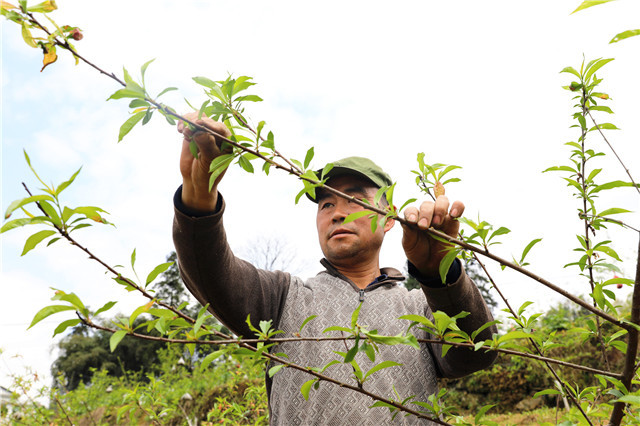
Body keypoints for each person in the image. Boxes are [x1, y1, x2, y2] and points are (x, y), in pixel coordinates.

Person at [172, 114, 498, 425]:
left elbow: (476, 353)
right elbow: (211, 275)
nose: (337, 213)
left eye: (354, 200)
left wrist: (441, 274)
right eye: (327, 204)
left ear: (388, 217)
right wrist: (199, 197)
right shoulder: (282, 297)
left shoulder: (419, 309)